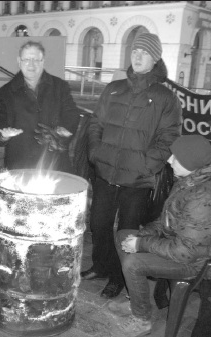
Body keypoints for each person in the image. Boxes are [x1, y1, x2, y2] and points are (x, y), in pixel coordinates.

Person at [82, 33, 182, 300]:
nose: (137, 56)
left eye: (144, 52)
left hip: (137, 179)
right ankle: (101, 266)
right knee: (99, 224)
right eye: (135, 51)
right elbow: (96, 124)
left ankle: (119, 276)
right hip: (105, 172)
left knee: (127, 232)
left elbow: (169, 137)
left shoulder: (165, 97)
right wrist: (95, 152)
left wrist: (146, 166)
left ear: (155, 58)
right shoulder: (114, 88)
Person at [105, 135, 211, 337]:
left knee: (133, 263)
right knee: (124, 234)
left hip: (200, 262)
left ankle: (141, 320)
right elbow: (168, 219)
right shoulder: (190, 181)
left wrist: (142, 244)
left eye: (175, 157)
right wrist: (143, 234)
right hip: (185, 244)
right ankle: (137, 298)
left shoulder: (203, 198)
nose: (169, 160)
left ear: (189, 162)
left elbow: (185, 252)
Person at [0, 40, 80, 173]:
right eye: (26, 59)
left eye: (36, 60)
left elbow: (71, 113)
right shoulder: (6, 91)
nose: (31, 64)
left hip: (53, 159)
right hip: (20, 160)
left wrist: (62, 131)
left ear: (43, 61)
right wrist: (3, 134)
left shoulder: (60, 87)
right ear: (19, 61)